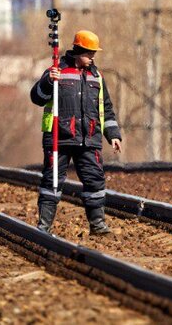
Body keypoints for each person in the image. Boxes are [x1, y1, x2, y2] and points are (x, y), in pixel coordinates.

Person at [30, 29, 122, 236]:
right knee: (51, 182)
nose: (92, 58)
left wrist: (113, 135)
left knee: (95, 181)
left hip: (89, 139)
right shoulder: (56, 71)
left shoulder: (96, 77)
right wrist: (47, 82)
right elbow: (36, 98)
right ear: (78, 50)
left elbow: (106, 108)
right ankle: (44, 227)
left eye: (93, 54)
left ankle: (97, 226)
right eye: (89, 54)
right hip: (59, 138)